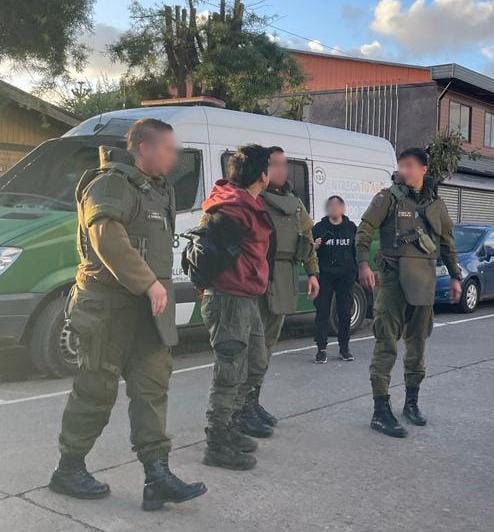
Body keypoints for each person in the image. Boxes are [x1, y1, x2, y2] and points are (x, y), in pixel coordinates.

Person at [50, 119, 207, 510]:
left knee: (152, 389)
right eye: (169, 149)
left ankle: (157, 476)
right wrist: (148, 283)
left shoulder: (155, 189)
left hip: (147, 312)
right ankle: (68, 468)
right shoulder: (110, 184)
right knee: (96, 390)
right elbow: (106, 237)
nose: (174, 157)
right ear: (144, 148)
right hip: (108, 307)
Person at [357, 147, 462, 438]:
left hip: (424, 282)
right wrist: (363, 264)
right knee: (386, 344)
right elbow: (364, 230)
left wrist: (456, 276)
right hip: (392, 281)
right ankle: (380, 410)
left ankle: (411, 403)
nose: (404, 170)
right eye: (401, 165)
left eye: (410, 165)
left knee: (417, 345)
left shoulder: (436, 204)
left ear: (424, 169)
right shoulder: (387, 198)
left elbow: (447, 243)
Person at [233, 146, 320, 438]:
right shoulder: (254, 198)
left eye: (285, 164)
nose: (282, 170)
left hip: (285, 277)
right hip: (260, 277)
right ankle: (240, 408)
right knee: (252, 347)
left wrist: (313, 273)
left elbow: (307, 238)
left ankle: (252, 401)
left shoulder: (295, 203)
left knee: (267, 346)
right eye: (275, 164)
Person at [200, 145, 274, 470]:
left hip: (246, 297)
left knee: (255, 364)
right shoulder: (232, 208)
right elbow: (209, 255)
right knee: (229, 373)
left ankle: (232, 422)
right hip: (229, 298)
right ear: (262, 175)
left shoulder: (248, 204)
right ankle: (217, 442)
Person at [312, 195, 358, 364]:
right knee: (322, 311)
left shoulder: (351, 228)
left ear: (343, 208)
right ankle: (321, 349)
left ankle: (344, 348)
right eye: (331, 206)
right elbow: (309, 251)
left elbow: (356, 251)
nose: (334, 209)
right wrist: (315, 245)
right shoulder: (319, 228)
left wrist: (355, 272)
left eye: (338, 206)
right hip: (325, 275)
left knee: (345, 312)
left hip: (345, 276)